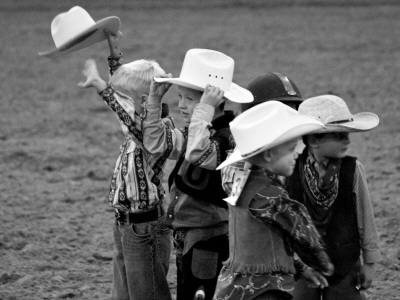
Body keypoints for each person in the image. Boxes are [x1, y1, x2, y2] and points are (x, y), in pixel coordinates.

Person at [142, 48, 253, 300]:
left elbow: (195, 153)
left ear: (215, 102)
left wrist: (203, 111)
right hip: (189, 236)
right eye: (180, 97)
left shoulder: (226, 140)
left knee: (199, 295)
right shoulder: (199, 132)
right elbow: (157, 144)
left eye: (191, 100)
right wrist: (153, 103)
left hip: (210, 237)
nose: (181, 105)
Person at [78, 30, 173, 300]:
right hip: (127, 224)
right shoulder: (143, 117)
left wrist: (99, 85)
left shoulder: (152, 131)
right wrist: (113, 50)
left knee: (147, 295)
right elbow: (125, 90)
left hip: (144, 228)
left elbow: (122, 106)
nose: (126, 99)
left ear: (143, 102)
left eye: (132, 98)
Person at [213, 100, 334, 300]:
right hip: (264, 290)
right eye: (291, 148)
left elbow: (260, 243)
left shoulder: (239, 182)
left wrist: (301, 269)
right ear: (269, 154)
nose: (298, 153)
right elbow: (304, 235)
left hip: (236, 285)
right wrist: (324, 265)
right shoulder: (271, 196)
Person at [286, 95, 381, 300]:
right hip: (304, 262)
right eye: (338, 135)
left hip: (344, 262)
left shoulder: (352, 170)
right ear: (313, 140)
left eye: (346, 134)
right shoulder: (290, 170)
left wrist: (370, 263)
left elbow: (365, 217)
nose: (347, 140)